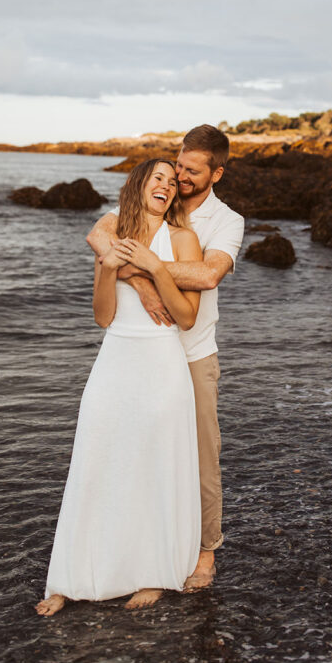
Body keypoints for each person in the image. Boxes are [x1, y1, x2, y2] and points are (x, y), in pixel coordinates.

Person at [35, 159, 204, 616]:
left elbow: (186, 318)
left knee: (152, 465)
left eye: (172, 183)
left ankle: (151, 573)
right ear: (138, 185)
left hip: (161, 361)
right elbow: (103, 316)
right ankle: (70, 578)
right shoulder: (115, 236)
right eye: (158, 179)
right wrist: (110, 267)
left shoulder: (183, 238)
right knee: (97, 459)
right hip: (114, 360)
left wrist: (155, 268)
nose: (167, 187)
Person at [85, 124, 244, 591]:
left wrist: (144, 268)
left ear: (217, 172)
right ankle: (142, 548)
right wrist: (134, 280)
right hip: (137, 354)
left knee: (200, 457)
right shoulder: (151, 203)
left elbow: (208, 275)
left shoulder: (225, 221)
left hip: (192, 355)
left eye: (192, 171)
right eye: (178, 166)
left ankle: (205, 551)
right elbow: (98, 234)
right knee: (137, 453)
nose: (180, 176)